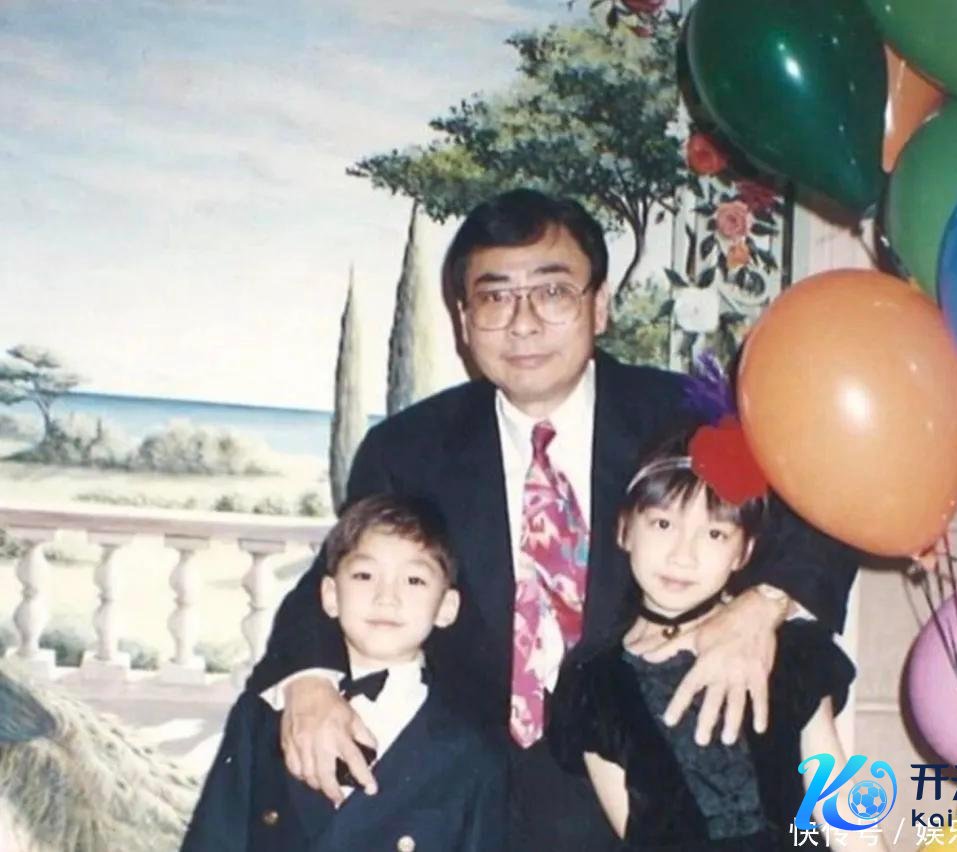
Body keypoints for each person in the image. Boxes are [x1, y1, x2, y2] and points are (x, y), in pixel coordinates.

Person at [248, 189, 859, 850]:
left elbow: (819, 519)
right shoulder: (408, 449)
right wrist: (309, 687)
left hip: (652, 783)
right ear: (464, 319)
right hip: (472, 800)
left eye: (553, 292)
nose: (524, 323)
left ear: (600, 305)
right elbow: (334, 578)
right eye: (495, 297)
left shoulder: (686, 419)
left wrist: (759, 611)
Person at [548, 423, 885, 851]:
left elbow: (842, 814)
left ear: (743, 551)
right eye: (663, 523)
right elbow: (634, 835)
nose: (682, 555)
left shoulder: (788, 650)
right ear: (625, 529)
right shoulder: (592, 683)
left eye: (714, 534)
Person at [181, 495, 507, 852]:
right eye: (365, 575)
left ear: (447, 607)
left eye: (414, 580)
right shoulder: (261, 717)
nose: (386, 597)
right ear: (330, 595)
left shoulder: (473, 750)